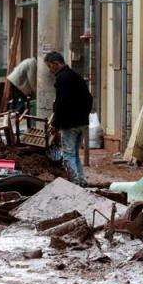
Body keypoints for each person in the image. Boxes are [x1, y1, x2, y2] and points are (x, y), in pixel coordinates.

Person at [44, 51, 93, 186]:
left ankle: (75, 182)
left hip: (69, 124)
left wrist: (56, 124)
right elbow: (89, 98)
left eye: (49, 66)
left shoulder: (62, 78)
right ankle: (81, 180)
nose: (50, 70)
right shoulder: (75, 76)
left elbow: (61, 104)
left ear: (56, 63)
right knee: (75, 153)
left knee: (69, 154)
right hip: (82, 122)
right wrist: (84, 116)